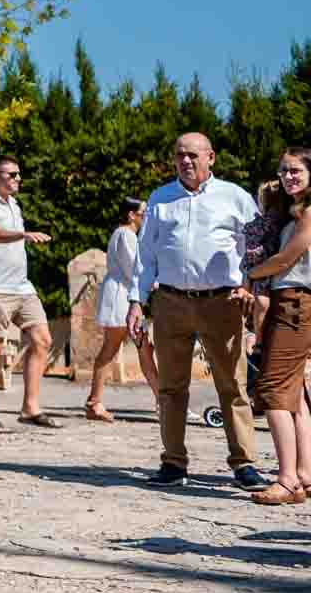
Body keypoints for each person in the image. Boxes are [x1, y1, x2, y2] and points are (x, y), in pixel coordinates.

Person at [128, 132, 265, 489]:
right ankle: (173, 462)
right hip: (170, 301)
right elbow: (146, 257)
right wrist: (135, 302)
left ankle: (244, 463)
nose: (185, 161)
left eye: (192, 155)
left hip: (222, 302)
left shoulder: (235, 197)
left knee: (232, 384)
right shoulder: (160, 198)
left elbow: (258, 247)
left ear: (211, 158)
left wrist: (250, 287)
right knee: (172, 387)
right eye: (179, 155)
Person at [241, 148, 311, 504]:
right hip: (293, 302)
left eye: (296, 170)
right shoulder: (293, 214)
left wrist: (250, 274)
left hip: (295, 303)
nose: (288, 177)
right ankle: (305, 474)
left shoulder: (308, 215)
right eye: (284, 171)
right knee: (294, 395)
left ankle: (286, 481)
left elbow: (286, 259)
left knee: (272, 390)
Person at [0, 156, 58, 433]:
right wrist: (24, 235)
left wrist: (23, 235)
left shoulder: (15, 205)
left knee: (42, 339)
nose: (18, 179)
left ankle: (30, 407)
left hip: (22, 286)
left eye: (19, 174)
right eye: (12, 174)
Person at [85, 197, 156, 421]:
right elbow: (133, 269)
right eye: (143, 213)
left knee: (144, 348)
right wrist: (154, 284)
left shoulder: (127, 235)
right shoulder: (125, 235)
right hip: (121, 299)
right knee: (112, 348)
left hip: (126, 297)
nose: (146, 217)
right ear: (131, 215)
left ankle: (164, 400)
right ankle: (94, 403)